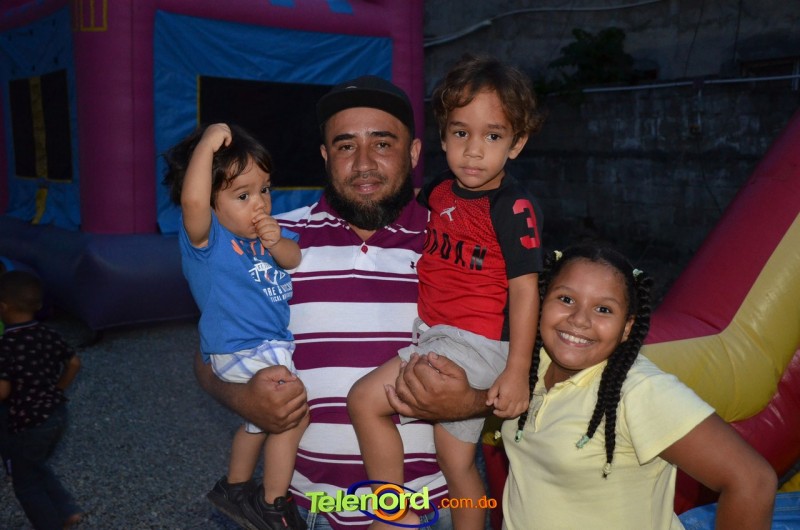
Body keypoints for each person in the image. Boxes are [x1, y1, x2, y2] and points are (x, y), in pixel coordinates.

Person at [194, 75, 498, 530]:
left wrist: (471, 403)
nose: (363, 163)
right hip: (304, 512)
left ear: (414, 153)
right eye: (345, 146)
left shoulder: (459, 246)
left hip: (430, 510)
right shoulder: (269, 238)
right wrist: (243, 397)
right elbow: (209, 351)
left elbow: (522, 367)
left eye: (382, 144)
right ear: (325, 156)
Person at [346, 54, 545, 529]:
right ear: (442, 137)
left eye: (492, 136)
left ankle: (390, 517)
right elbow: (402, 203)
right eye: (461, 133)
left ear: (516, 143)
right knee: (452, 462)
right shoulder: (439, 191)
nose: (473, 151)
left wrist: (518, 371)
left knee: (368, 403)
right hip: (438, 334)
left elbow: (525, 291)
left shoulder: (512, 207)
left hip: (475, 341)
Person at [500, 244, 777, 529]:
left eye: (603, 309)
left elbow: (752, 481)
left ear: (627, 328)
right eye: (566, 299)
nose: (579, 319)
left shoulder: (639, 390)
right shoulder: (528, 363)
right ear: (540, 302)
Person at [163, 123, 306, 529]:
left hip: (266, 346)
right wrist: (208, 144)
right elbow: (192, 200)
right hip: (241, 345)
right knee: (294, 416)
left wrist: (276, 242)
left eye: (265, 190)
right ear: (211, 206)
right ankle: (273, 502)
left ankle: (235, 487)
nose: (259, 203)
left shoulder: (265, 237)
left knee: (257, 425)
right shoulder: (209, 243)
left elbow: (293, 258)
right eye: (243, 196)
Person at [0, 270, 84, 529]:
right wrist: (58, 389)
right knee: (34, 464)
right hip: (56, 414)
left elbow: (3, 392)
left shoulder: (5, 346)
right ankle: (66, 510)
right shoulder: (48, 334)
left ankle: (50, 524)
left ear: (3, 307)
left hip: (27, 423)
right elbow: (74, 363)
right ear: (37, 305)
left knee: (25, 482)